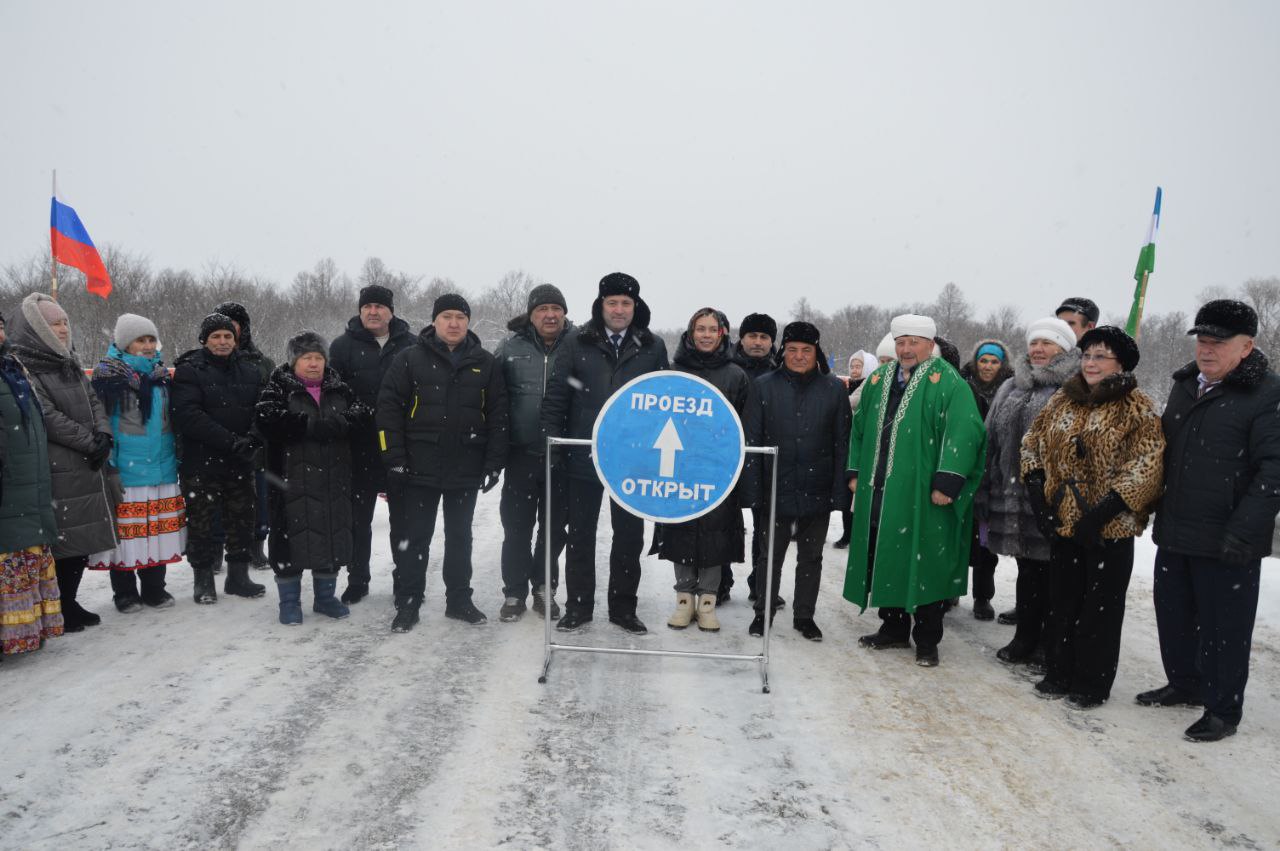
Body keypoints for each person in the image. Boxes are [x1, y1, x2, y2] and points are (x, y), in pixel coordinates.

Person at [1141, 300, 1280, 741]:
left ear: (1246, 346)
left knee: (1225, 627)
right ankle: (1185, 683)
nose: (1206, 349)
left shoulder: (1267, 394)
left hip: (1228, 537)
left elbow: (1274, 468)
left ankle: (1222, 709)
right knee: (1174, 614)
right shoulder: (1186, 386)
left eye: (1218, 342)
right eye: (1202, 340)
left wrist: (1245, 529)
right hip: (1178, 525)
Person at [1021, 326, 1163, 709]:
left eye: (1101, 356)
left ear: (1121, 364)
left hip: (1108, 528)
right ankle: (1059, 670)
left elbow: (1145, 467)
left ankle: (1091, 682)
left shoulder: (1138, 407)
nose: (1091, 363)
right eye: (1087, 355)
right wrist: (1037, 493)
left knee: (1100, 608)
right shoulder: (1063, 401)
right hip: (1062, 521)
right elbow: (1031, 444)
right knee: (1062, 601)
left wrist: (1101, 514)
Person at [843, 314, 985, 666]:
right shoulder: (879, 378)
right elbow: (859, 427)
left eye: (913, 342)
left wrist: (948, 480)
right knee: (884, 553)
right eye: (900, 342)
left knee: (925, 559)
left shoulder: (948, 381)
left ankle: (926, 638)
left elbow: (965, 431)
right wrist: (855, 470)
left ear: (929, 343)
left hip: (923, 492)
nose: (906, 349)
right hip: (880, 489)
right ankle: (892, 627)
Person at [541, 272, 670, 634]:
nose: (618, 309)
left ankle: (623, 608)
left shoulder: (652, 346)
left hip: (632, 460)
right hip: (584, 456)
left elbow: (664, 400)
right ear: (601, 306)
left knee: (629, 536)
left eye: (625, 303)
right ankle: (578, 607)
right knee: (580, 533)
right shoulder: (576, 342)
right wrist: (553, 445)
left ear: (635, 307)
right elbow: (556, 399)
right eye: (611, 302)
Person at [378, 294, 508, 633]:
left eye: (460, 317)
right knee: (415, 537)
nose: (454, 323)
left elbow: (498, 416)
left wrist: (494, 462)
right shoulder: (409, 359)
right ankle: (408, 602)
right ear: (434, 321)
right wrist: (393, 458)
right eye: (447, 316)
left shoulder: (485, 362)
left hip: (466, 466)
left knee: (460, 537)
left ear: (468, 322)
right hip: (418, 466)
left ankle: (459, 600)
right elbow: (388, 411)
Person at [7, 293, 121, 632]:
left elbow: (92, 400)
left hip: (87, 461)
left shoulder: (67, 360)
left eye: (64, 322)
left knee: (82, 540)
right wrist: (89, 441)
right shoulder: (25, 364)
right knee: (64, 541)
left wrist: (103, 434)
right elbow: (47, 415)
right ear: (35, 328)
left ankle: (69, 601)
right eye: (53, 323)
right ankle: (60, 604)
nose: (62, 328)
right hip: (59, 464)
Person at [976, 318, 1079, 661]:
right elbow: (989, 439)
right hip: (1010, 494)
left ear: (1064, 349)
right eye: (1034, 343)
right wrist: (984, 485)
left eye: (1047, 343)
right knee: (1027, 571)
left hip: (1050, 499)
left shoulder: (1073, 387)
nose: (1038, 349)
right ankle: (1025, 637)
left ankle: (1050, 644)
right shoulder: (1012, 387)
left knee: (1053, 574)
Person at [742, 321, 850, 641]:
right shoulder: (764, 386)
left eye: (806, 350)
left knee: (811, 557)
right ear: (783, 352)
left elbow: (841, 442)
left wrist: (838, 492)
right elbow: (752, 440)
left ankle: (805, 616)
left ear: (817, 353)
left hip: (817, 486)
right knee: (769, 555)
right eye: (792, 350)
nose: (799, 356)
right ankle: (763, 612)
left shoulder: (833, 389)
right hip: (775, 485)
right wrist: (753, 490)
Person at [256, 332, 371, 625]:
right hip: (289, 482)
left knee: (329, 538)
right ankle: (289, 602)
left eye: (318, 357)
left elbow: (362, 416)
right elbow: (267, 420)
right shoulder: (278, 388)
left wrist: (339, 423)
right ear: (294, 361)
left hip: (334, 480)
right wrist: (307, 425)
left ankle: (325, 598)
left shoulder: (340, 388)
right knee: (287, 542)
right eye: (306, 358)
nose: (313, 364)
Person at [652, 308, 751, 632]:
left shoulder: (736, 375)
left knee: (715, 534)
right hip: (679, 466)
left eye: (713, 329)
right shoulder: (674, 371)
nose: (706, 334)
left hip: (718, 471)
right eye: (701, 328)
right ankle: (684, 599)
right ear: (691, 332)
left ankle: (707, 601)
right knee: (681, 531)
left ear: (722, 333)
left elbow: (743, 427)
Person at [87, 314, 185, 610]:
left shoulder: (162, 377)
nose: (146, 345)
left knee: (155, 531)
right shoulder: (108, 377)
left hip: (162, 467)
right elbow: (101, 422)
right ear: (124, 343)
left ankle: (155, 588)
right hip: (127, 469)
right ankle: (125, 592)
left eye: (150, 339)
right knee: (128, 537)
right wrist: (111, 463)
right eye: (140, 340)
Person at [171, 313, 267, 604]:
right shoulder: (190, 370)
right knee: (201, 524)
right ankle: (203, 580)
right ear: (205, 340)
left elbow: (262, 409)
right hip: (202, 463)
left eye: (228, 336)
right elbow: (188, 415)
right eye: (216, 336)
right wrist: (229, 441)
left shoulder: (250, 371)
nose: (223, 341)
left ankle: (238, 577)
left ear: (236, 340)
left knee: (242, 520)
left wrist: (252, 438)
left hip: (240, 462)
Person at [327, 284, 415, 603]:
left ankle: (403, 580)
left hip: (398, 447)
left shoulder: (411, 345)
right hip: (357, 446)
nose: (373, 312)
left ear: (391, 311)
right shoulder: (342, 346)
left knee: (403, 521)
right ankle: (357, 580)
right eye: (368, 307)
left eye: (380, 306)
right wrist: (353, 412)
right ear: (360, 310)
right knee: (357, 521)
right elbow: (332, 393)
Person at [494, 284, 573, 622]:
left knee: (554, 528)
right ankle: (513, 592)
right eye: (543, 309)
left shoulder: (579, 346)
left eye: (556, 308)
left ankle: (544, 588)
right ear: (531, 314)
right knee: (516, 527)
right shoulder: (509, 347)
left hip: (563, 455)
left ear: (565, 313)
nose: (550, 315)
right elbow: (494, 400)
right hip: (520, 454)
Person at [0, 309, 64, 659]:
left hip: (28, 479)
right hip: (9, 480)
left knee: (24, 553)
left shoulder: (13, 368)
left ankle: (25, 630)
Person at [212, 301, 274, 569]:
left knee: (258, 498)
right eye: (223, 324)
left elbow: (269, 402)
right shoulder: (202, 363)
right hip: (215, 442)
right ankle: (215, 548)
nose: (229, 331)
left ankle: (256, 545)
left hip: (254, 443)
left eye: (234, 324)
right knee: (215, 502)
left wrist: (254, 435)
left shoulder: (261, 363)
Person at [957, 339, 1013, 619]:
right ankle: (950, 590)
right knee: (956, 536)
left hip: (993, 474)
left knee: (984, 541)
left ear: (1002, 364)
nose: (988, 366)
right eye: (983, 360)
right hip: (963, 467)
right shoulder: (962, 385)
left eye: (994, 361)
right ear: (975, 361)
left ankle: (982, 596)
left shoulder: (1010, 390)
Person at [727, 312, 778, 604]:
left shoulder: (780, 371)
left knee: (767, 528)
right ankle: (720, 582)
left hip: (765, 459)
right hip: (730, 455)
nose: (758, 343)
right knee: (724, 523)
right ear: (741, 338)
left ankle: (761, 585)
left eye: (764, 337)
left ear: (771, 342)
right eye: (752, 336)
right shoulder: (728, 367)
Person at [834, 350, 879, 550]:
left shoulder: (871, 385)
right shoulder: (845, 385)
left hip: (861, 445)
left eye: (859, 366)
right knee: (847, 494)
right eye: (852, 366)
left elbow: (850, 405)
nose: (854, 370)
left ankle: (857, 534)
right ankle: (847, 532)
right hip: (847, 445)